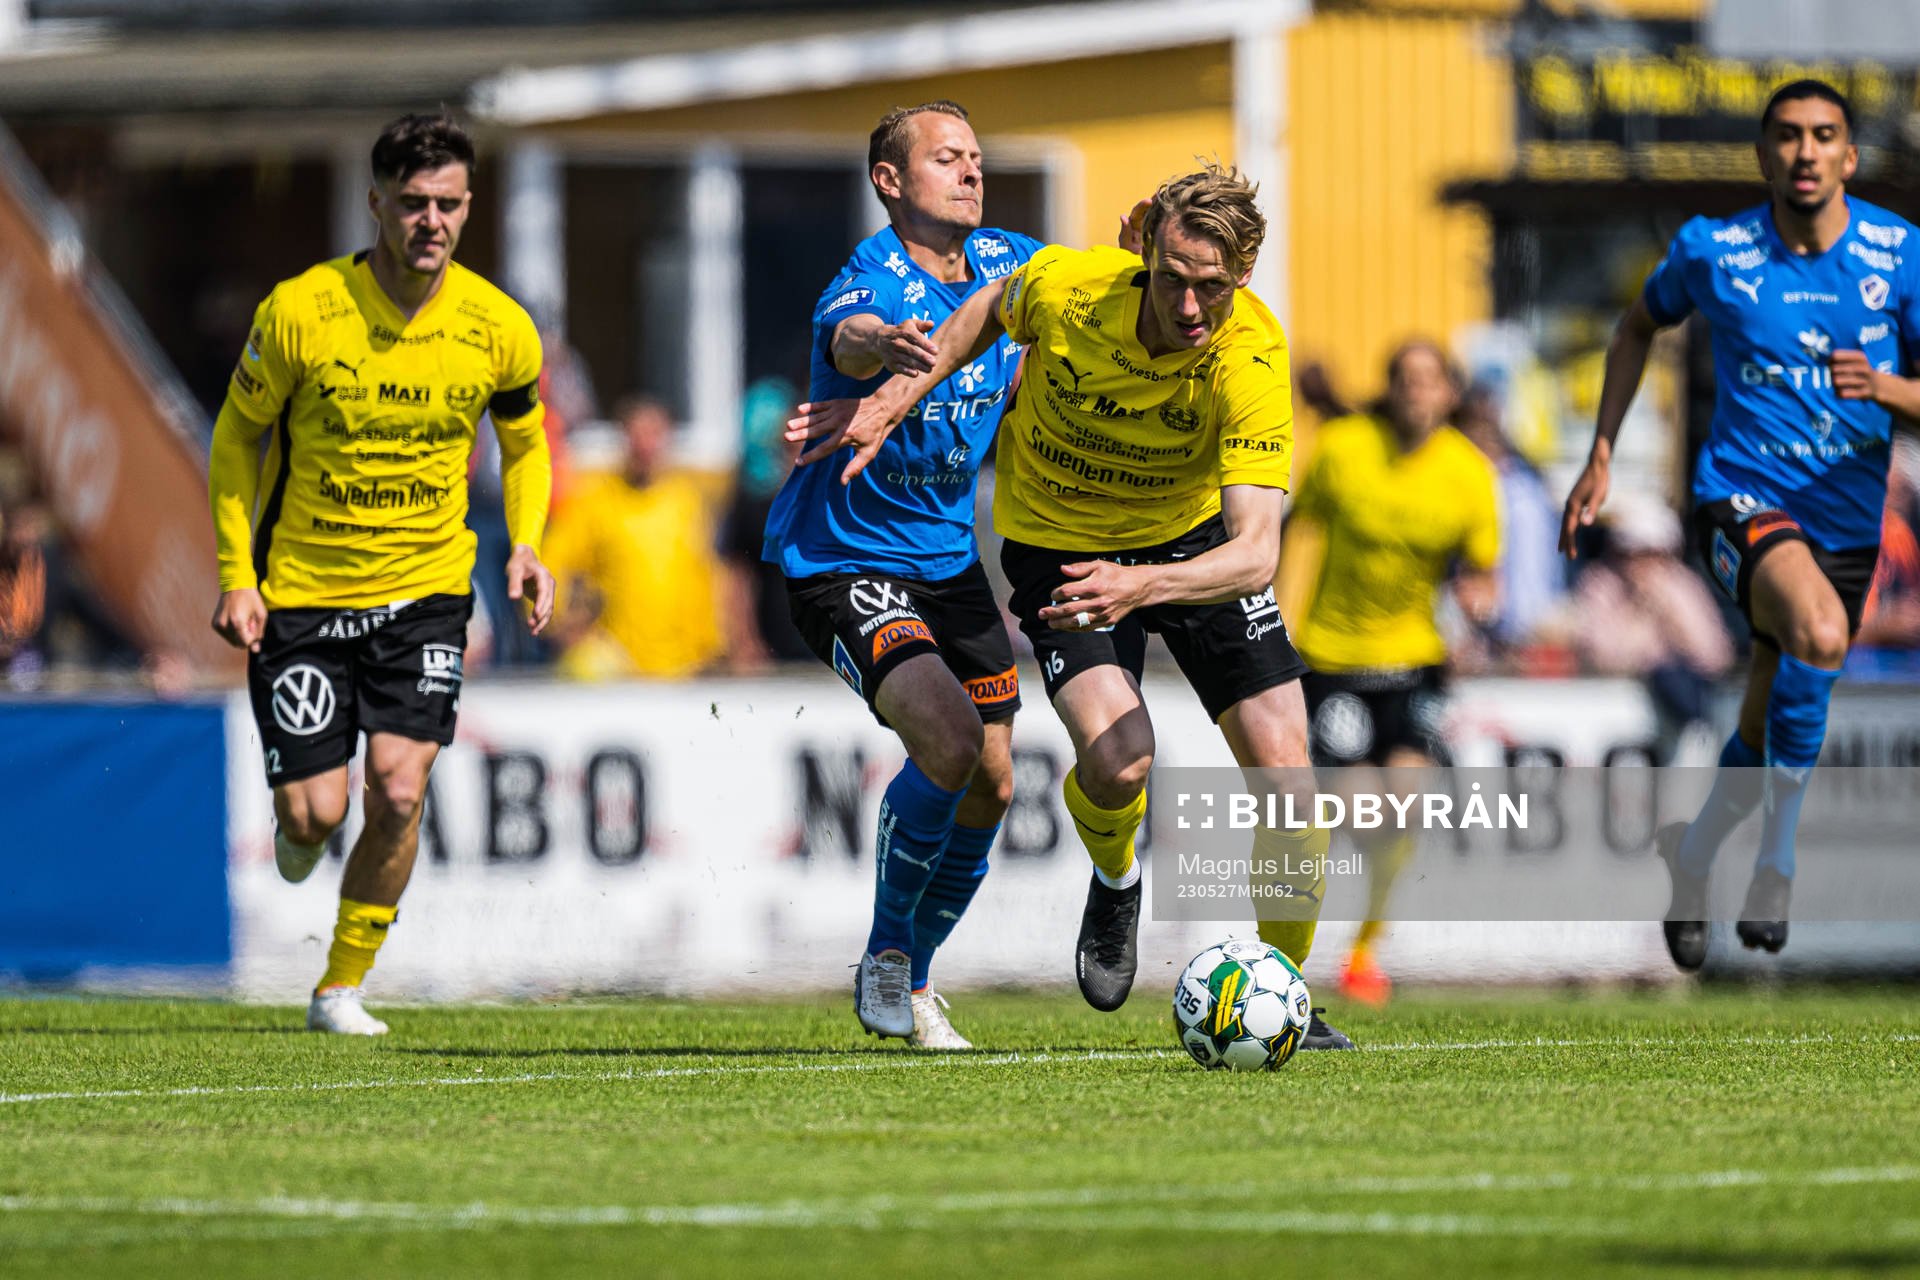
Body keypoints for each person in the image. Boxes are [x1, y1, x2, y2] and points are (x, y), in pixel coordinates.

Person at [790, 163, 1354, 1050]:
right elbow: (985, 310)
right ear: (1147, 254)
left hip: (1190, 550)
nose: (1189, 305)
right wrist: (895, 399)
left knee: (1291, 787)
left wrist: (1140, 585)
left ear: (1242, 275)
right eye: (1172, 278)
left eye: (1211, 286)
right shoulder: (1073, 288)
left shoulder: (1252, 354)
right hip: (1065, 547)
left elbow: (1255, 554)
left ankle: (1284, 992)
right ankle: (1118, 877)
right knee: (1123, 762)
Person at [208, 112, 555, 1034]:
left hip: (429, 592)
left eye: (447, 204)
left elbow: (526, 446)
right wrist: (236, 573)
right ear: (375, 204)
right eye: (411, 204)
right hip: (305, 594)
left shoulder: (498, 327)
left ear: (469, 206)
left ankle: (341, 986)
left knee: (400, 790)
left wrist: (525, 542)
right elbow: (237, 439)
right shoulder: (300, 312)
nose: (429, 222)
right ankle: (299, 831)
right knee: (318, 814)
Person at [1561, 80, 1920, 969]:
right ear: (1763, 154)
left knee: (1765, 721)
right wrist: (1602, 450)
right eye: (1788, 136)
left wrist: (1887, 390)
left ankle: (1692, 853)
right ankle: (1775, 864)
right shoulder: (1714, 250)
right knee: (1822, 629)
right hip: (1739, 501)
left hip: (1844, 523)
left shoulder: (1900, 252)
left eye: (1823, 135)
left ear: (1850, 156)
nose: (1805, 151)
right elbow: (1636, 328)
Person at [762, 101, 1040, 1048]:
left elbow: (1080, 294)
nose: (970, 171)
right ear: (890, 182)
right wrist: (880, 348)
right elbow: (849, 334)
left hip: (951, 562)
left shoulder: (1009, 261)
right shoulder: (866, 280)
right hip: (841, 561)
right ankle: (885, 958)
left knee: (995, 782)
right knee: (952, 742)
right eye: (946, 159)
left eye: (976, 155)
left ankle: (915, 982)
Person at [1287, 340, 1500, 1006]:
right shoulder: (1345, 447)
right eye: (1406, 381)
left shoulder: (1468, 472)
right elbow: (1294, 527)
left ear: (1449, 395)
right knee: (1360, 812)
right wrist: (1275, 618)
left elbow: (1484, 572)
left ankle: (1362, 953)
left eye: (1430, 382)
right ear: (1391, 388)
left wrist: (1477, 605)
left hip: (1416, 660)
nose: (1417, 393)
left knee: (1405, 806)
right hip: (1334, 657)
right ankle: (1293, 937)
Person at [542, 395, 726, 680]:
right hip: (618, 669)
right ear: (624, 440)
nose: (645, 446)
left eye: (654, 435)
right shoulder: (597, 501)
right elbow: (549, 564)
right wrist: (563, 627)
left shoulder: (687, 501)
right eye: (637, 436)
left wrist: (715, 645)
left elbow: (705, 577)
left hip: (685, 667)